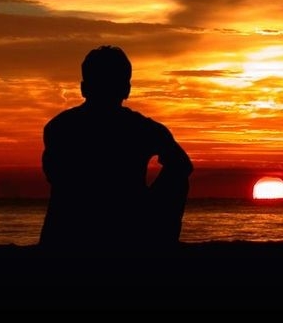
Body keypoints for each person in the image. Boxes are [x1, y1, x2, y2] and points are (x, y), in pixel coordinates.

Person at [39, 46, 193, 252]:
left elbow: (54, 175)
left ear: (83, 87)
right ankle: (159, 241)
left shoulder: (59, 127)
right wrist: (147, 204)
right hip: (125, 226)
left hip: (67, 231)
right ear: (126, 89)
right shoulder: (144, 129)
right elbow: (181, 166)